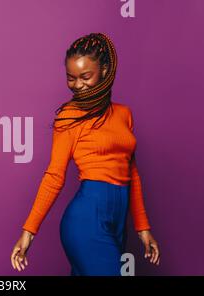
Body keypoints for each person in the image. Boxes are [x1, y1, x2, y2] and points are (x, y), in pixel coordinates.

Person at [10, 33, 160, 276]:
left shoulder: (124, 114)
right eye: (71, 78)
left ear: (105, 70)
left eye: (85, 76)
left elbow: (131, 172)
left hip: (117, 222)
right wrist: (28, 232)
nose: (77, 85)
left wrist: (143, 228)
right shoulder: (69, 116)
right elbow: (54, 176)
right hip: (86, 220)